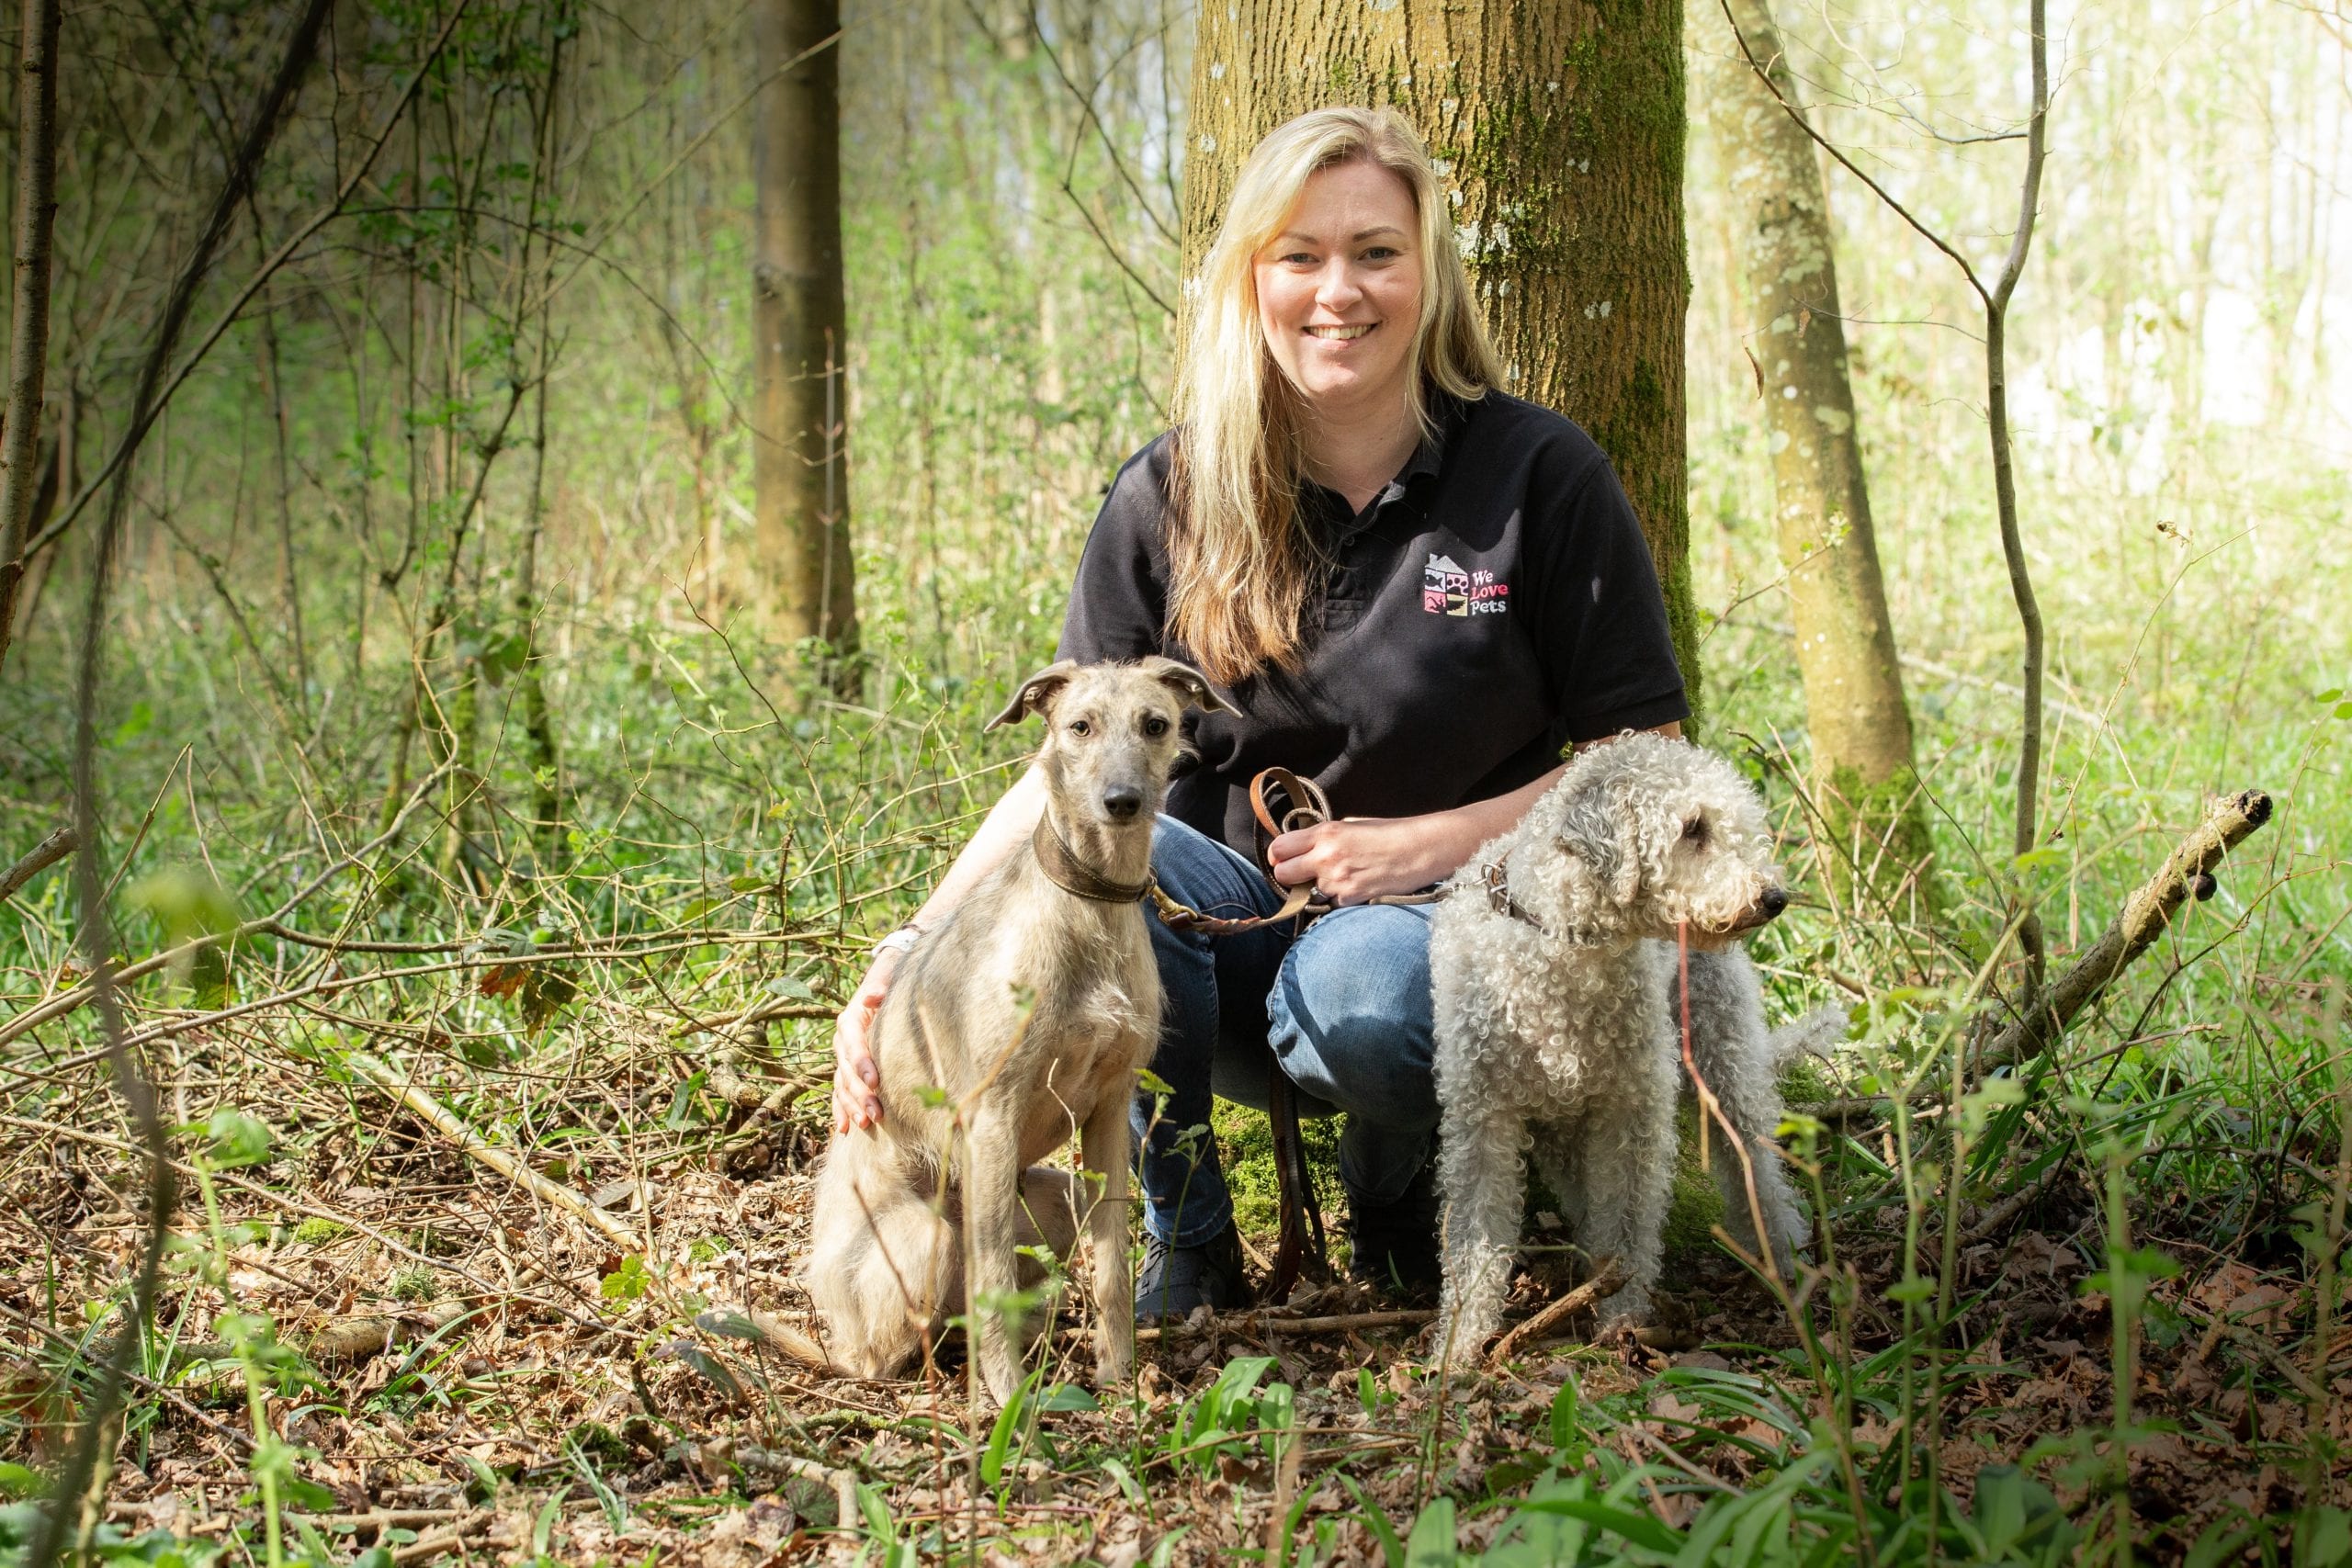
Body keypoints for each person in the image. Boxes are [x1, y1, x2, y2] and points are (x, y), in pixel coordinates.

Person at [832, 105, 1689, 1319]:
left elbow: (1641, 763)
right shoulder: (1168, 494)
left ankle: (1397, 1202)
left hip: (1446, 934)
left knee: (1369, 993)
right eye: (1300, 255)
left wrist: (1430, 844)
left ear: (1429, 273)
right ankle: (1187, 1237)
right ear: (1252, 279)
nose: (1339, 290)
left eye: (1377, 252)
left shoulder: (1539, 476)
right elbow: (1065, 779)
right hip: (1204, 947)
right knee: (1096, 864)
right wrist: (903, 956)